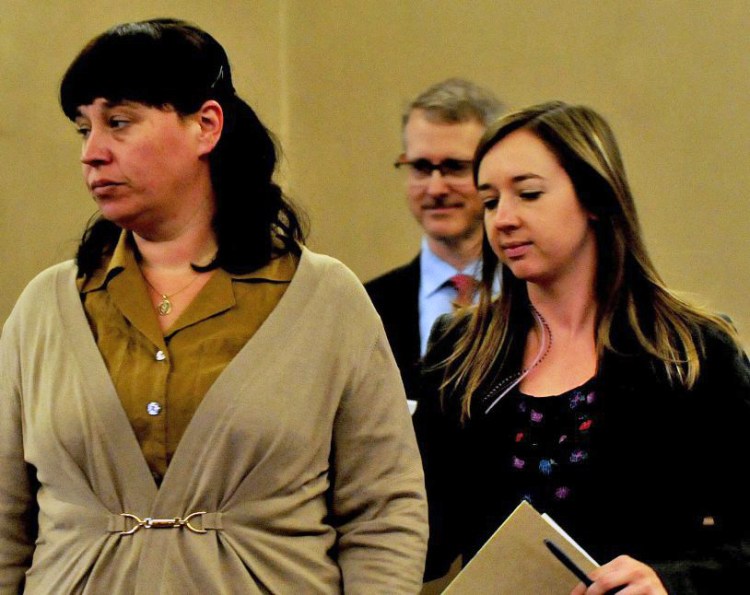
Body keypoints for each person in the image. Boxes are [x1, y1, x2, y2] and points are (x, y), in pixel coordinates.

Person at [0, 18, 427, 593]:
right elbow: (4, 522)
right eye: (84, 129)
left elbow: (384, 513)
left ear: (205, 125)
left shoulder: (325, 299)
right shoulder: (46, 309)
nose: (92, 154)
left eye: (119, 123)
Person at [414, 101, 750, 593]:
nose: (502, 219)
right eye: (489, 201)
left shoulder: (690, 350)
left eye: (528, 194)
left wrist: (670, 582)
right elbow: (421, 537)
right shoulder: (461, 350)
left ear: (594, 198)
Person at [365, 79, 504, 409]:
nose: (436, 187)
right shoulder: (366, 307)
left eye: (455, 167)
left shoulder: (541, 297)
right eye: (421, 168)